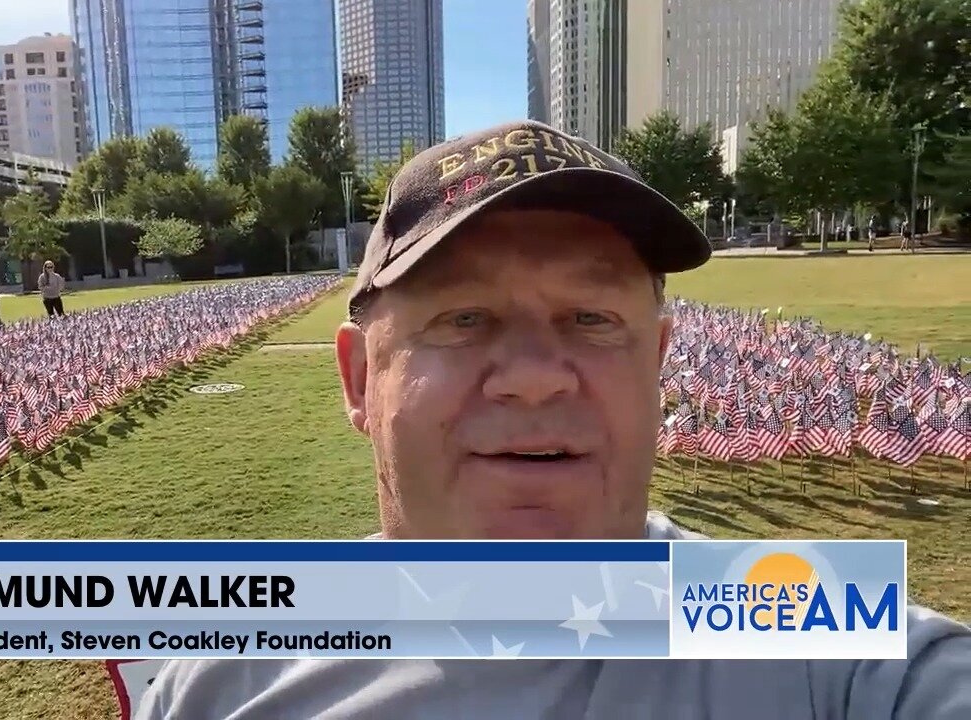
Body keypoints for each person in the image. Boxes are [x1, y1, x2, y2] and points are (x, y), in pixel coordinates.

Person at [133, 120, 970, 718]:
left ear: (656, 363)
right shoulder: (222, 680)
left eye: (592, 318)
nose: (534, 378)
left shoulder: (835, 650)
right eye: (462, 318)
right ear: (360, 381)